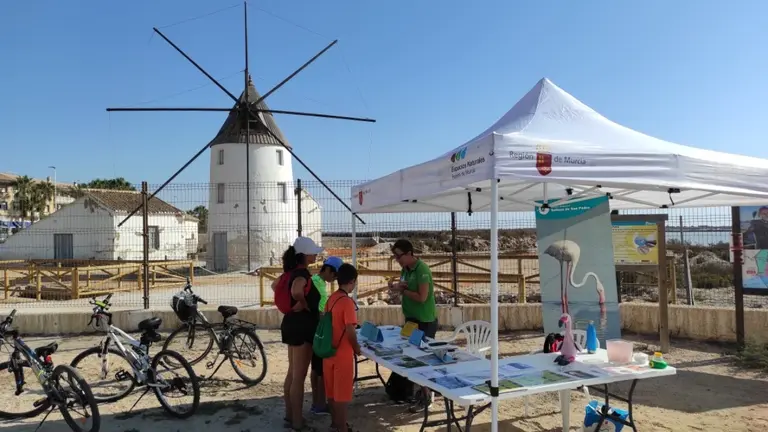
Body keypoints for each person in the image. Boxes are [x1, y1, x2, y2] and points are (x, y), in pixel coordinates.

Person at [279, 236, 324, 431]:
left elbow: (275, 286)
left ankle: (290, 415)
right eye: (313, 252)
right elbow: (297, 290)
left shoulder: (289, 272)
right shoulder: (302, 274)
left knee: (292, 373)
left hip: (291, 324)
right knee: (298, 377)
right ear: (305, 255)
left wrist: (294, 304)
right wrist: (304, 304)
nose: (316, 255)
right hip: (302, 326)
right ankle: (298, 421)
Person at [387, 239, 437, 412]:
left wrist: (403, 291)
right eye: (395, 257)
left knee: (421, 358)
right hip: (411, 320)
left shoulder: (422, 270)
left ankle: (427, 395)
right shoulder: (405, 269)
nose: (397, 260)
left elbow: (422, 297)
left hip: (424, 321)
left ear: (409, 253)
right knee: (408, 355)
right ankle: (407, 391)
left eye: (399, 256)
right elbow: (404, 287)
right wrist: (396, 287)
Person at [323, 264, 361, 432]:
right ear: (352, 281)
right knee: (342, 395)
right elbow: (350, 331)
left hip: (329, 350)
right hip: (342, 354)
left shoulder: (332, 298)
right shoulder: (347, 302)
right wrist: (357, 348)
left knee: (331, 392)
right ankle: (342, 427)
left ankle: (335, 423)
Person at [309, 256, 344, 416]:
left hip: (316, 330)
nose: (335, 279)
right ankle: (320, 404)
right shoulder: (317, 283)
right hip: (319, 331)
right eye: (334, 275)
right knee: (321, 370)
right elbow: (318, 310)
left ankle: (316, 402)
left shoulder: (318, 282)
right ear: (328, 270)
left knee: (315, 368)